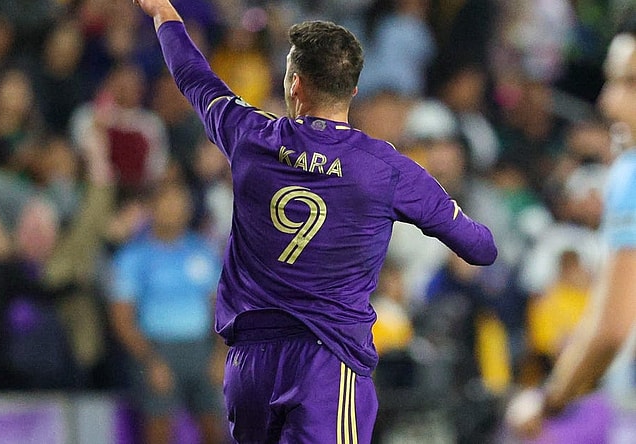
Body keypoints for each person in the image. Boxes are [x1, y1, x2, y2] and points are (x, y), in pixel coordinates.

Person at [134, 1, 498, 442]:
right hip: (327, 362)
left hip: (249, 365)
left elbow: (193, 75)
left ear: (295, 83)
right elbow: (481, 248)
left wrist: (162, 13)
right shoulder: (386, 168)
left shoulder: (250, 135)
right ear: (353, 91)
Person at [506, 18, 636, 439]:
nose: (610, 102)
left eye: (632, 84)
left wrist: (547, 401)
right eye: (613, 81)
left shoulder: (630, 176)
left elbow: (611, 328)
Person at [104, 178, 226, 444]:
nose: (175, 209)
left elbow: (221, 309)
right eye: (167, 203)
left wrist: (220, 354)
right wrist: (149, 361)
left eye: (180, 203)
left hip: (201, 350)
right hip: (156, 350)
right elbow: (122, 319)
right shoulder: (132, 257)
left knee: (214, 429)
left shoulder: (202, 251)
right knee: (158, 430)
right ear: (152, 207)